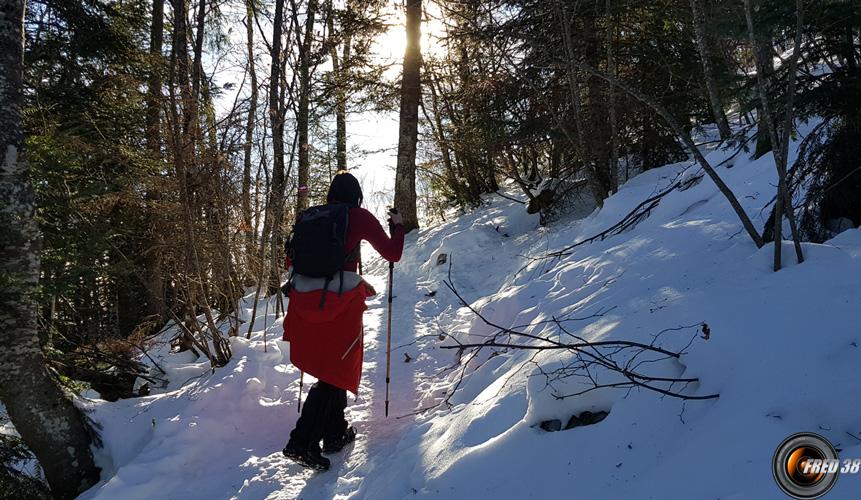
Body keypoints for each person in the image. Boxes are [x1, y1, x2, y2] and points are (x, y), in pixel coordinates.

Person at [281, 172, 404, 471]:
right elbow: (393, 253)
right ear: (356, 194)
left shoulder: (308, 217)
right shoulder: (357, 216)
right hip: (339, 301)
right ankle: (301, 441)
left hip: (304, 300)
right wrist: (397, 226)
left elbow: (290, 261)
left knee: (332, 367)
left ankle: (335, 433)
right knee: (336, 368)